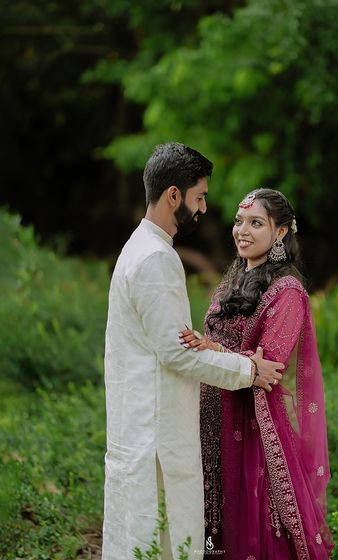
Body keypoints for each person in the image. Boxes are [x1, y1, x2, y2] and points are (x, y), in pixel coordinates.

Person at [102, 145, 285, 560]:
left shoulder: (140, 247)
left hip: (141, 426)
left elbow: (177, 346)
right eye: (198, 196)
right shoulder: (155, 258)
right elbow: (178, 354)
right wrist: (247, 369)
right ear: (173, 195)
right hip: (156, 435)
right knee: (161, 542)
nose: (203, 207)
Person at [180, 188, 334, 559]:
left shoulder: (288, 292)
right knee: (211, 517)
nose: (241, 231)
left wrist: (213, 349)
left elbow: (270, 366)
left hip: (252, 426)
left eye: (255, 223)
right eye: (238, 221)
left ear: (280, 232)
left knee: (252, 525)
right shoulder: (233, 281)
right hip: (210, 415)